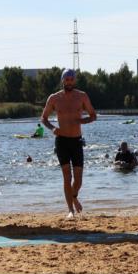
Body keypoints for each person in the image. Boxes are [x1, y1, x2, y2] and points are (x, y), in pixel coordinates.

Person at [41, 68, 97, 218]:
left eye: (72, 79)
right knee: (67, 176)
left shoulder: (82, 96)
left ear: (75, 81)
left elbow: (93, 115)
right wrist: (52, 128)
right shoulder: (54, 98)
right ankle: (70, 211)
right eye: (67, 79)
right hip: (62, 141)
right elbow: (43, 118)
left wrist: (82, 120)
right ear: (62, 81)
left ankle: (74, 197)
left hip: (77, 141)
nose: (69, 82)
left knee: (78, 180)